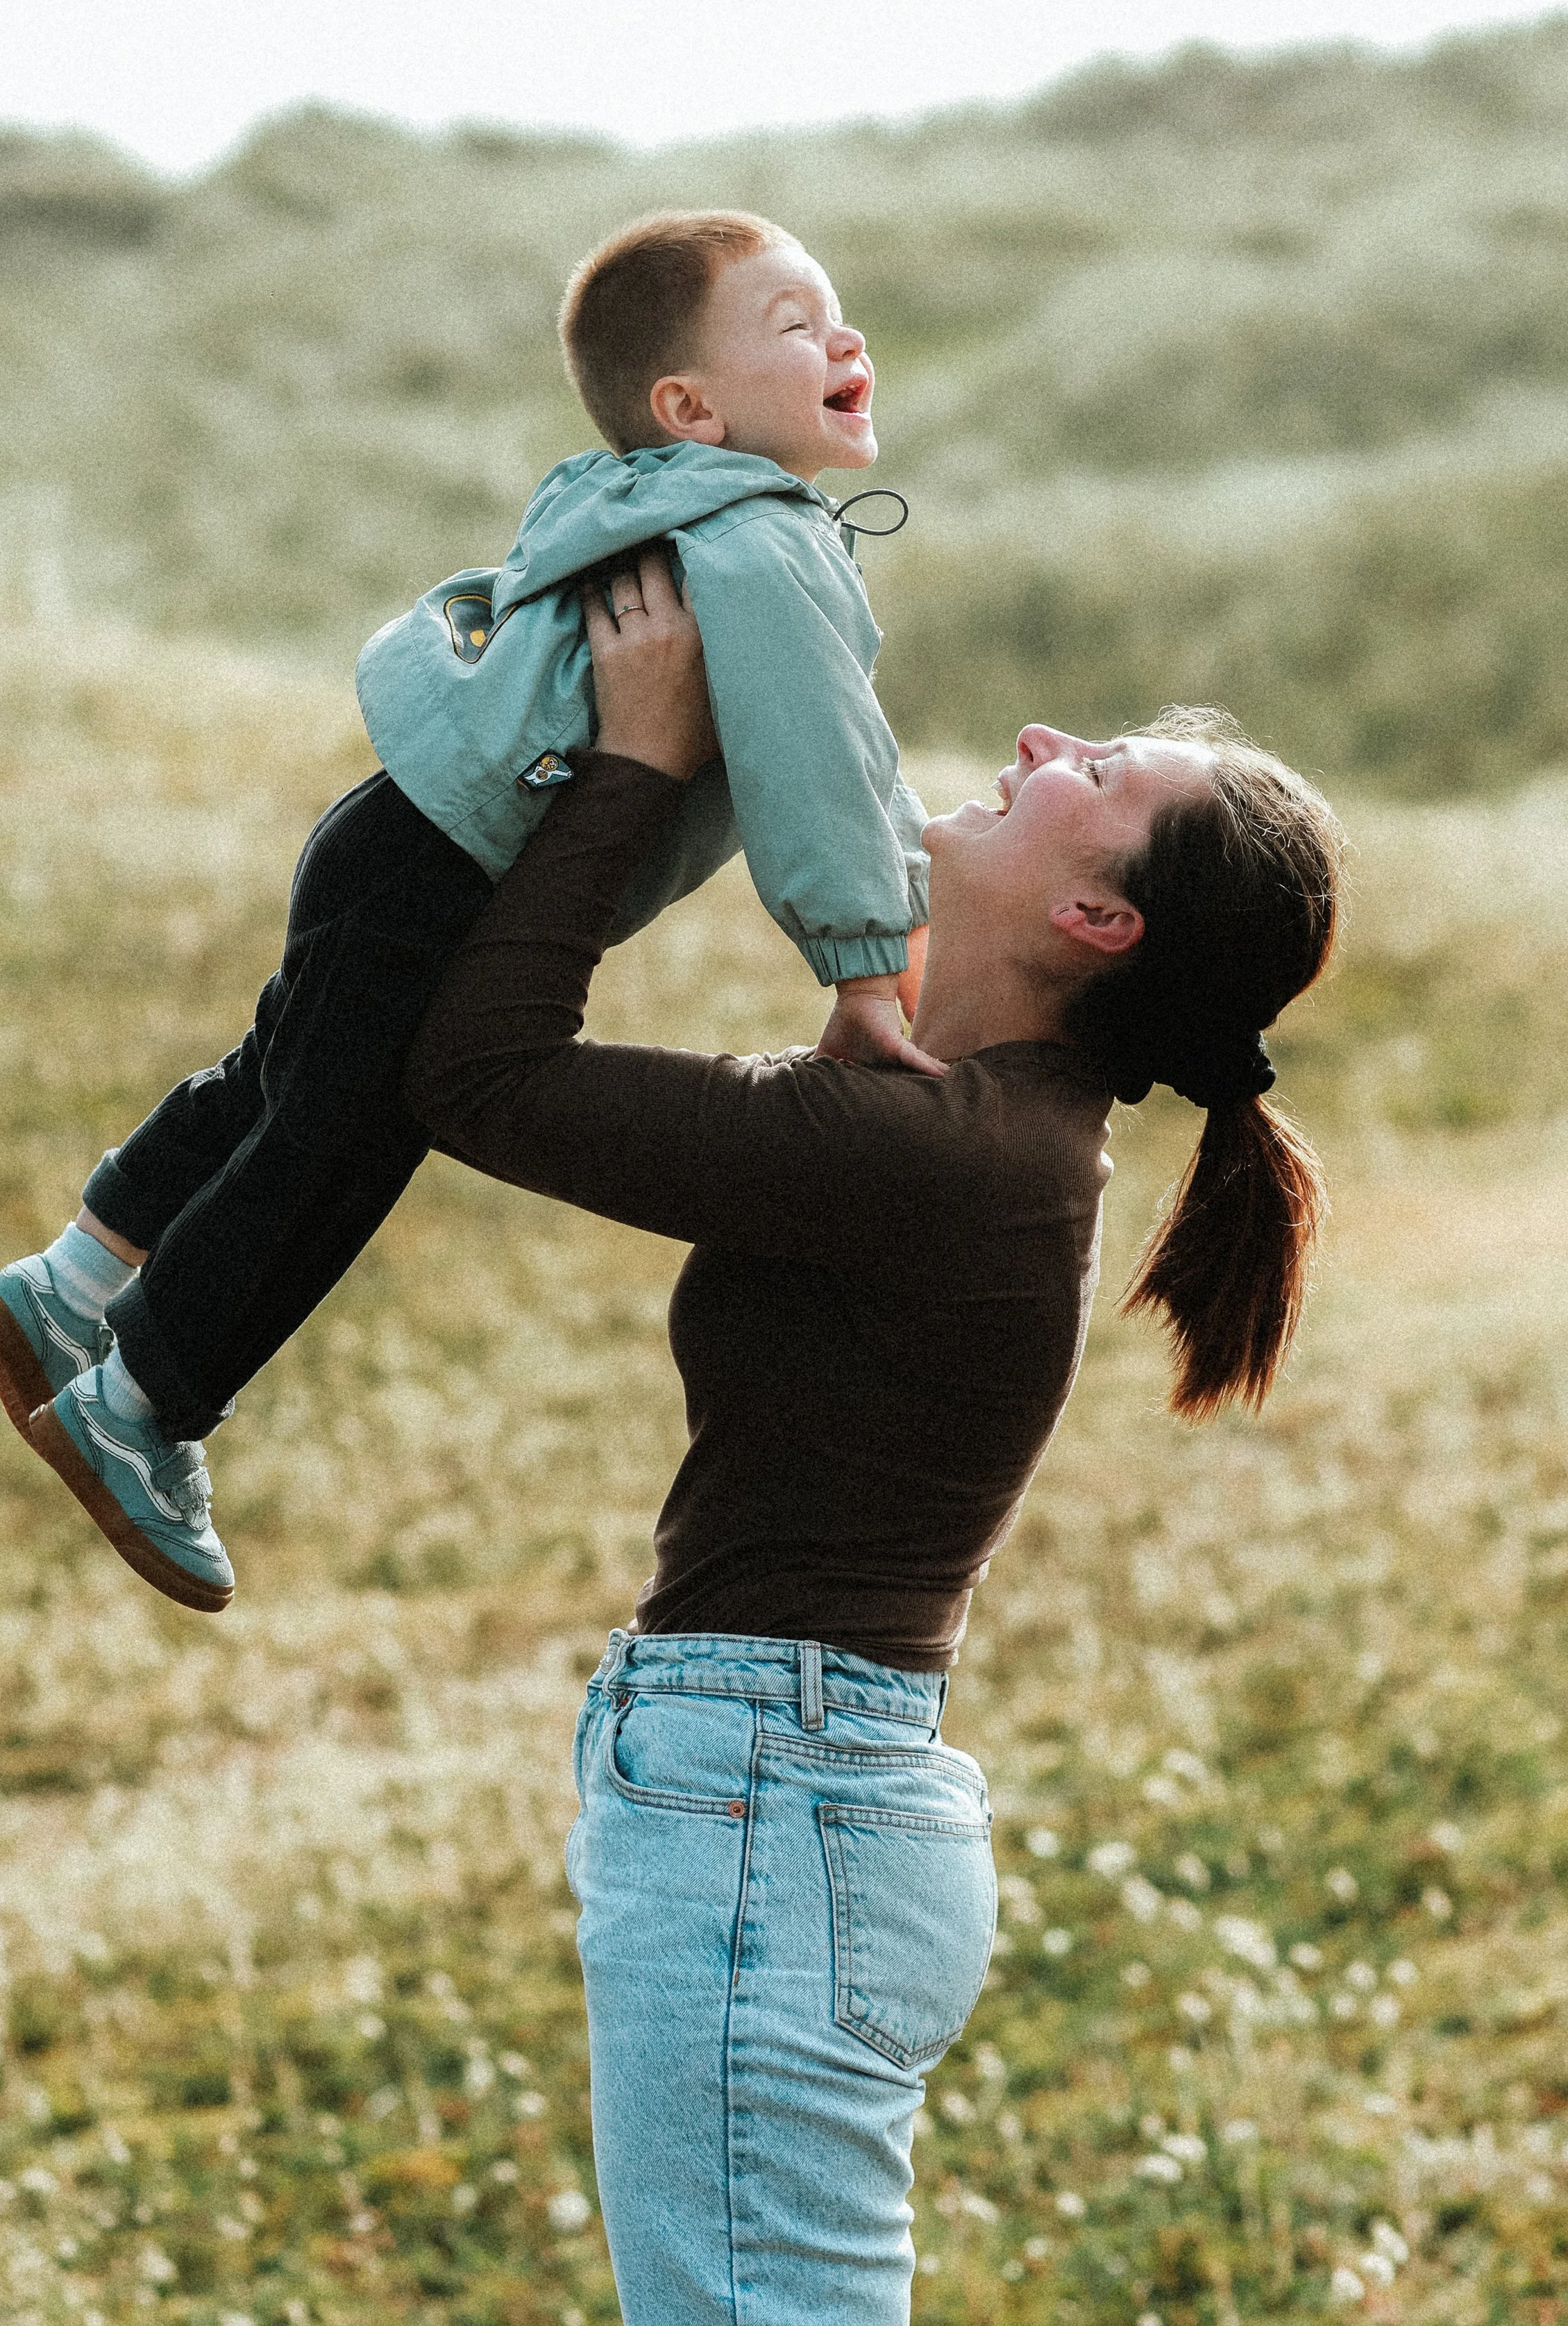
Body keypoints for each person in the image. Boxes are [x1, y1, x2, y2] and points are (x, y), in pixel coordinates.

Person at [399, 546, 1342, 2324]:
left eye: (1098, 775)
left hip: (772, 1804)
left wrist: (631, 757)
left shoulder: (939, 1159)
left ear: (1100, 919)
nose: (1044, 737)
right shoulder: (970, 1128)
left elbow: (477, 1075)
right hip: (786, 1798)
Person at [0, 210, 937, 1612]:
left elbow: (845, 748)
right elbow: (815, 761)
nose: (842, 338)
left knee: (279, 1076)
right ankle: (142, 1407)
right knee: (336, 1142)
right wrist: (859, 968)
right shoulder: (759, 538)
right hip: (456, 867)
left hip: (387, 833)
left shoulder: (643, 498)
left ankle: (74, 1278)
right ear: (689, 407)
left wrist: (910, 874)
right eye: (793, 324)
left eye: (837, 314)